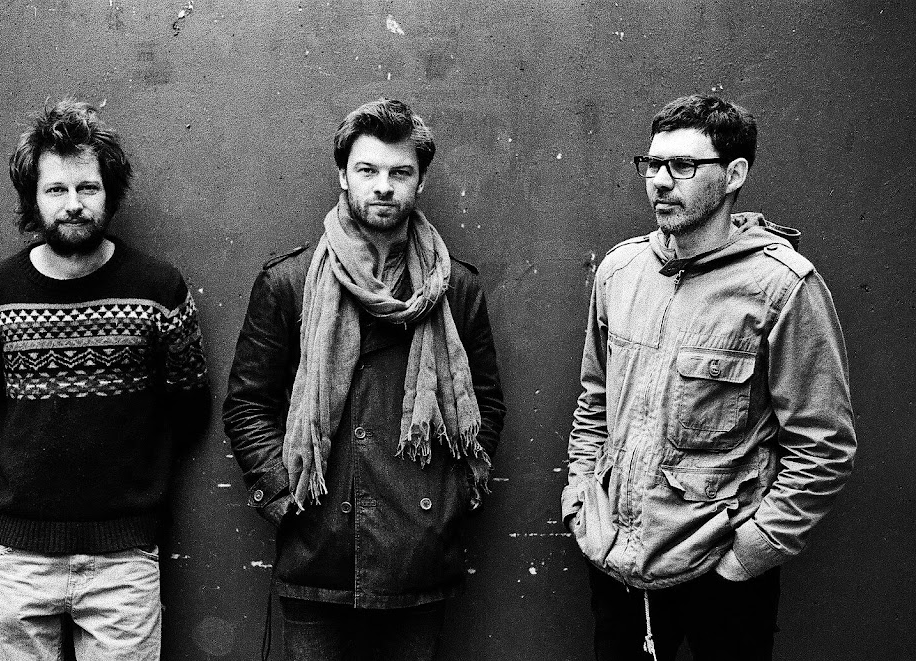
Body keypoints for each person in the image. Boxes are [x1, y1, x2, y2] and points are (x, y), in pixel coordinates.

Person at [561, 94, 856, 661]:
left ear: (733, 175)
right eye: (653, 164)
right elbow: (594, 401)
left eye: (683, 166)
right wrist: (582, 499)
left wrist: (748, 554)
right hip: (617, 562)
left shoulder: (781, 287)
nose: (659, 181)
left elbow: (824, 446)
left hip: (722, 576)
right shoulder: (621, 271)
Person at [223, 98, 505, 660]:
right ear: (343, 176)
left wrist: (450, 500)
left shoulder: (456, 288)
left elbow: (487, 403)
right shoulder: (290, 282)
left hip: (419, 552)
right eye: (367, 170)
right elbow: (247, 405)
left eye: (400, 173)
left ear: (420, 181)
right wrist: (283, 497)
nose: (383, 187)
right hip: (320, 552)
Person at [0, 99, 210, 660]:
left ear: (110, 193)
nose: (74, 204)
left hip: (124, 564)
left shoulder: (158, 290)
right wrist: (19, 468)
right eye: (56, 190)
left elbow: (190, 404)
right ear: (32, 199)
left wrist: (132, 481)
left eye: (88, 187)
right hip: (20, 560)